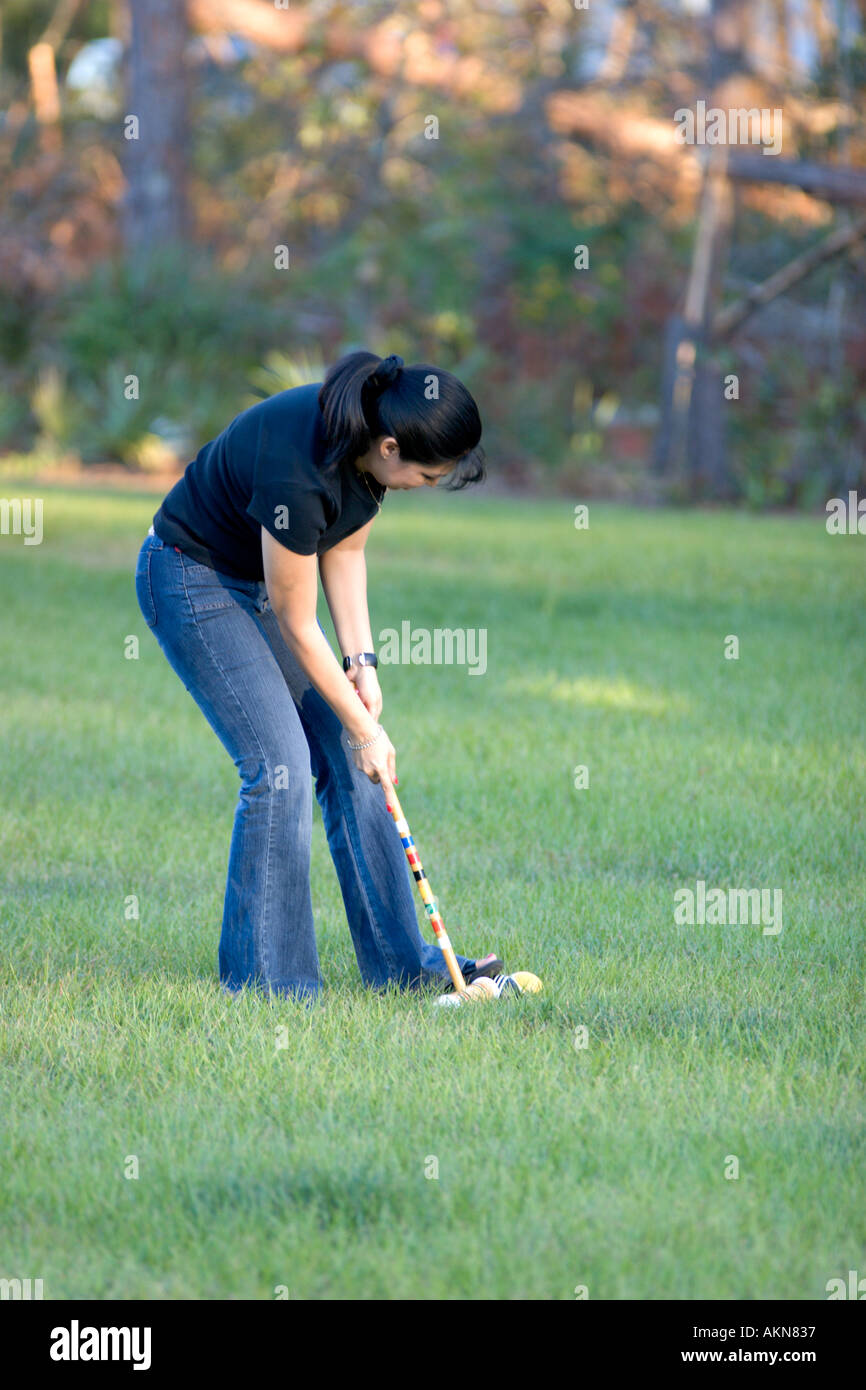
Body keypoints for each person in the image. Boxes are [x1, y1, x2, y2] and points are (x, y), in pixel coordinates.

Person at [134, 350, 507, 1001]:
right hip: (191, 577)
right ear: (391, 446)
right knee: (278, 766)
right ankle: (269, 984)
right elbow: (296, 620)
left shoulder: (368, 452)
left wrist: (362, 664)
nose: (425, 484)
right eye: (425, 473)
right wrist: (365, 725)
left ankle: (404, 968)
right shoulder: (298, 469)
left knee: (349, 752)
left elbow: (347, 545)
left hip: (258, 580)